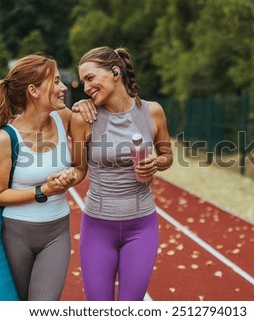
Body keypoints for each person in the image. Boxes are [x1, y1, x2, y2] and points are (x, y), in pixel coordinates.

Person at [70, 46, 174, 301]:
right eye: (83, 81)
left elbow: (168, 157)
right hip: (97, 227)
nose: (85, 87)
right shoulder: (85, 118)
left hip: (141, 226)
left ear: (115, 72)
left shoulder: (153, 112)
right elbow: (77, 170)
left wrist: (156, 163)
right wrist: (48, 186)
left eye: (90, 78)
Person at [0, 54, 82, 301]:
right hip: (15, 234)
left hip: (57, 230)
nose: (64, 87)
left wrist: (71, 177)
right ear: (34, 90)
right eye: (56, 82)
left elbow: (80, 167)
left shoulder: (65, 118)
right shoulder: (4, 138)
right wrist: (42, 191)